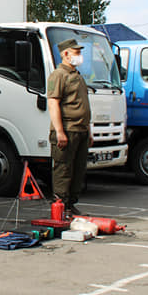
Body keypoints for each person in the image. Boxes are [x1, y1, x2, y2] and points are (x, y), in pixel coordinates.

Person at [47, 38, 92, 217]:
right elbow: (53, 103)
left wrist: (89, 130)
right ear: (66, 54)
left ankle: (71, 205)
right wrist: (60, 131)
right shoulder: (58, 75)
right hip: (68, 129)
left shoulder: (77, 75)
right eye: (76, 52)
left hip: (81, 130)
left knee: (78, 171)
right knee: (63, 170)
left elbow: (84, 105)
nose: (80, 56)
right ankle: (60, 206)